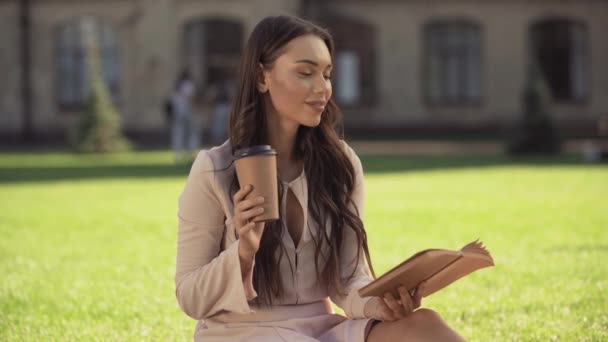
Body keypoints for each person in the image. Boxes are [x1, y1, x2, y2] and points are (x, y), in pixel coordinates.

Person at [174, 15, 465, 341]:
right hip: (241, 331)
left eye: (327, 74)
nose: (322, 88)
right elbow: (189, 296)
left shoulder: (341, 165)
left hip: (320, 329)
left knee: (426, 326)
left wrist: (381, 306)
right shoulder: (214, 169)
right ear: (261, 77)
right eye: (305, 72)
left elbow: (348, 279)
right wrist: (244, 250)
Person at [170, 69, 201, 163]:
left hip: (179, 113)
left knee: (179, 133)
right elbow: (191, 98)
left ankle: (178, 154)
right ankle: (190, 153)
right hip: (187, 111)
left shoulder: (177, 87)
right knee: (192, 133)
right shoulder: (188, 85)